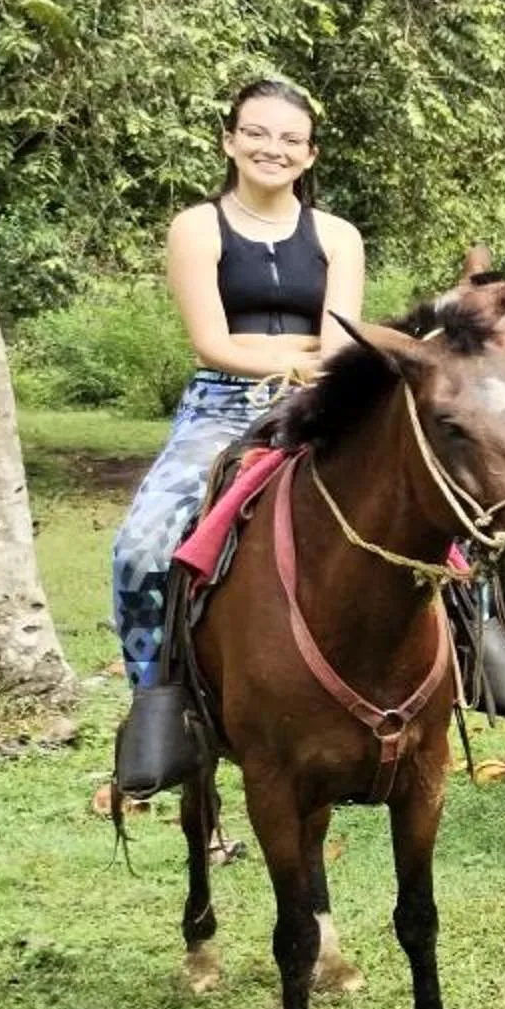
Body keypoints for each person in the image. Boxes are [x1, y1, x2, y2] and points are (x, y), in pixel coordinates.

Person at [111, 78, 369, 796]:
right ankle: (155, 704)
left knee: (434, 513)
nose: (272, 149)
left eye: (291, 139)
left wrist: (313, 369)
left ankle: (474, 662)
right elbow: (213, 341)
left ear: (310, 153)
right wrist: (291, 359)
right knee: (141, 547)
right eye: (257, 133)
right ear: (229, 140)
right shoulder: (197, 227)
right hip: (223, 407)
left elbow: (339, 336)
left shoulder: (337, 236)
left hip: (322, 402)